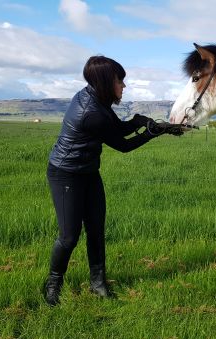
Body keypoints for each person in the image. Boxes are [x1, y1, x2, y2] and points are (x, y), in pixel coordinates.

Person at [44, 55, 158, 306]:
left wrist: (137, 122)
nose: (124, 86)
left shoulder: (97, 99)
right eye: (120, 81)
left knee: (96, 229)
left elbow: (117, 127)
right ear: (107, 82)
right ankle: (53, 282)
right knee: (69, 236)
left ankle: (98, 284)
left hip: (88, 173)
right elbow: (122, 144)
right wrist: (149, 133)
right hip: (66, 174)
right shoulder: (91, 112)